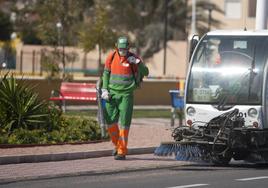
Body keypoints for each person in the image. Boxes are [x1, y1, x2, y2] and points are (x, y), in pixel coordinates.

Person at [101, 36, 149, 160]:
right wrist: (104, 89)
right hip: (111, 94)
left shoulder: (134, 58)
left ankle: (122, 151)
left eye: (125, 48)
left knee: (124, 123)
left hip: (126, 95)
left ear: (128, 47)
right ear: (116, 46)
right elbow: (106, 74)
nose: (123, 51)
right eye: (120, 48)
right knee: (110, 120)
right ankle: (117, 145)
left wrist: (138, 63)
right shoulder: (111, 57)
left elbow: (146, 72)